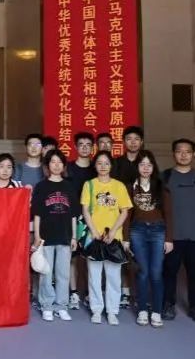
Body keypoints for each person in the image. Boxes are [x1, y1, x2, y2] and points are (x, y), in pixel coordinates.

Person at [162, 138, 195, 324]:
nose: (183, 155)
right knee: (169, 272)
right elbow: (158, 206)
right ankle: (168, 304)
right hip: (171, 236)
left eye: (187, 151)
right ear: (173, 154)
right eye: (179, 151)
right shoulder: (165, 176)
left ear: (194, 154)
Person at [123, 150, 174, 328]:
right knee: (143, 272)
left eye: (149, 165)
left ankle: (157, 311)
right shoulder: (130, 187)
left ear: (153, 167)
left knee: (156, 273)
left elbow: (168, 214)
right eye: (142, 164)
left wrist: (169, 239)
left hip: (158, 231)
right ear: (137, 167)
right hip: (137, 231)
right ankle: (142, 310)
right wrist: (125, 238)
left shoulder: (161, 187)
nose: (145, 168)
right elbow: (126, 215)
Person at [81, 151, 132, 325]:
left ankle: (112, 311)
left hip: (113, 237)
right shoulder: (89, 185)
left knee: (113, 277)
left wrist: (113, 231)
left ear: (111, 166)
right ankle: (96, 309)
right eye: (99, 163)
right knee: (94, 276)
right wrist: (94, 231)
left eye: (106, 163)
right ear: (95, 165)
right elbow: (85, 210)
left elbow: (124, 211)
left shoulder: (119, 186)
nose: (103, 166)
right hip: (94, 237)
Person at [32, 149, 79, 322]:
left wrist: (74, 237)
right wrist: (37, 236)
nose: (56, 165)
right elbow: (37, 214)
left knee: (63, 274)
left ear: (64, 166)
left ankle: (61, 306)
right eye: (53, 162)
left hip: (65, 236)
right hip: (46, 236)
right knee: (46, 273)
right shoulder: (41, 187)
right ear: (47, 165)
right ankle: (47, 305)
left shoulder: (69, 186)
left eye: (60, 162)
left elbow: (73, 215)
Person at [112, 124, 144, 309]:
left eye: (136, 139)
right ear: (123, 142)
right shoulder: (116, 163)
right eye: (129, 139)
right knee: (122, 255)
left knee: (141, 256)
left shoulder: (146, 162)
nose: (133, 142)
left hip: (141, 215)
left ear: (142, 142)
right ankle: (124, 292)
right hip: (120, 214)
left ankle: (140, 294)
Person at [66, 132, 96, 310]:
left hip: (93, 218)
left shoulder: (96, 168)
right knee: (72, 257)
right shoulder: (67, 168)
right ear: (75, 147)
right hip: (72, 218)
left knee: (90, 257)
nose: (84, 147)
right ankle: (74, 292)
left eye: (88, 144)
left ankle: (90, 293)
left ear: (92, 147)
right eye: (81, 144)